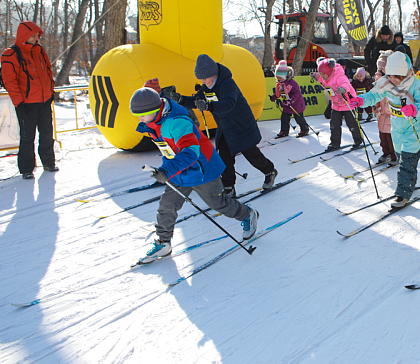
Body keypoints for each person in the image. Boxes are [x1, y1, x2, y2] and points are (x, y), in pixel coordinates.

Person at [130, 87, 259, 263]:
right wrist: (165, 169)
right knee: (167, 205)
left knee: (218, 203)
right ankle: (163, 242)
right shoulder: (155, 124)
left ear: (154, 111)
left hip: (201, 170)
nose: (140, 119)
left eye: (142, 115)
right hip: (179, 172)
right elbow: (169, 151)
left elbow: (190, 153)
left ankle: (247, 214)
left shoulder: (176, 123)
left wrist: (166, 171)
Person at [171, 54, 277, 197]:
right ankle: (228, 187)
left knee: (251, 154)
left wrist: (209, 106)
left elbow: (229, 104)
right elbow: (197, 100)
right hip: (225, 127)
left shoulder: (228, 84)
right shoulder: (207, 87)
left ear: (213, 74)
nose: (203, 81)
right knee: (224, 158)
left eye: (204, 78)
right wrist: (181, 99)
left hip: (240, 125)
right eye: (201, 79)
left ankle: (269, 171)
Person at [352, 51, 420, 208]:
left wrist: (414, 109)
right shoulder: (386, 83)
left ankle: (402, 193)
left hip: (414, 128)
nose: (393, 80)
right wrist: (361, 100)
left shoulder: (417, 87)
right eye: (391, 75)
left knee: (407, 161)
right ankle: (409, 183)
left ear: (406, 73)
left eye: (398, 77)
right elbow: (373, 96)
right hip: (397, 129)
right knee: (403, 159)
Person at [0, 21, 57, 179]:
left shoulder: (39, 50)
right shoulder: (11, 54)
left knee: (47, 133)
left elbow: (48, 71)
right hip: (26, 104)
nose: (36, 38)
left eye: (37, 35)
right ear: (24, 35)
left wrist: (50, 91)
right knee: (27, 137)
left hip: (44, 100)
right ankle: (26, 169)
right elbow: (9, 81)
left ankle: (49, 162)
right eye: (33, 35)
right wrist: (19, 102)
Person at [311, 58, 363, 151]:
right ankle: (335, 143)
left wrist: (343, 88)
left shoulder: (339, 76)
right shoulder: (325, 78)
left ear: (329, 71)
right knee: (334, 125)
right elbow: (321, 79)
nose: (322, 76)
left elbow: (346, 84)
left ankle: (358, 140)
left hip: (347, 103)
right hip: (336, 105)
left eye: (324, 74)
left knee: (351, 124)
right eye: (321, 74)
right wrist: (316, 76)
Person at [269, 60, 310, 138]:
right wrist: (274, 97)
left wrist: (292, 100)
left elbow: (296, 93)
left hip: (296, 104)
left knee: (298, 118)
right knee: (284, 118)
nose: (278, 79)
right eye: (277, 77)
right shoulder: (279, 84)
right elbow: (279, 93)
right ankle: (284, 131)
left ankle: (304, 129)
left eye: (280, 77)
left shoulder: (292, 83)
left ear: (284, 76)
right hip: (286, 104)